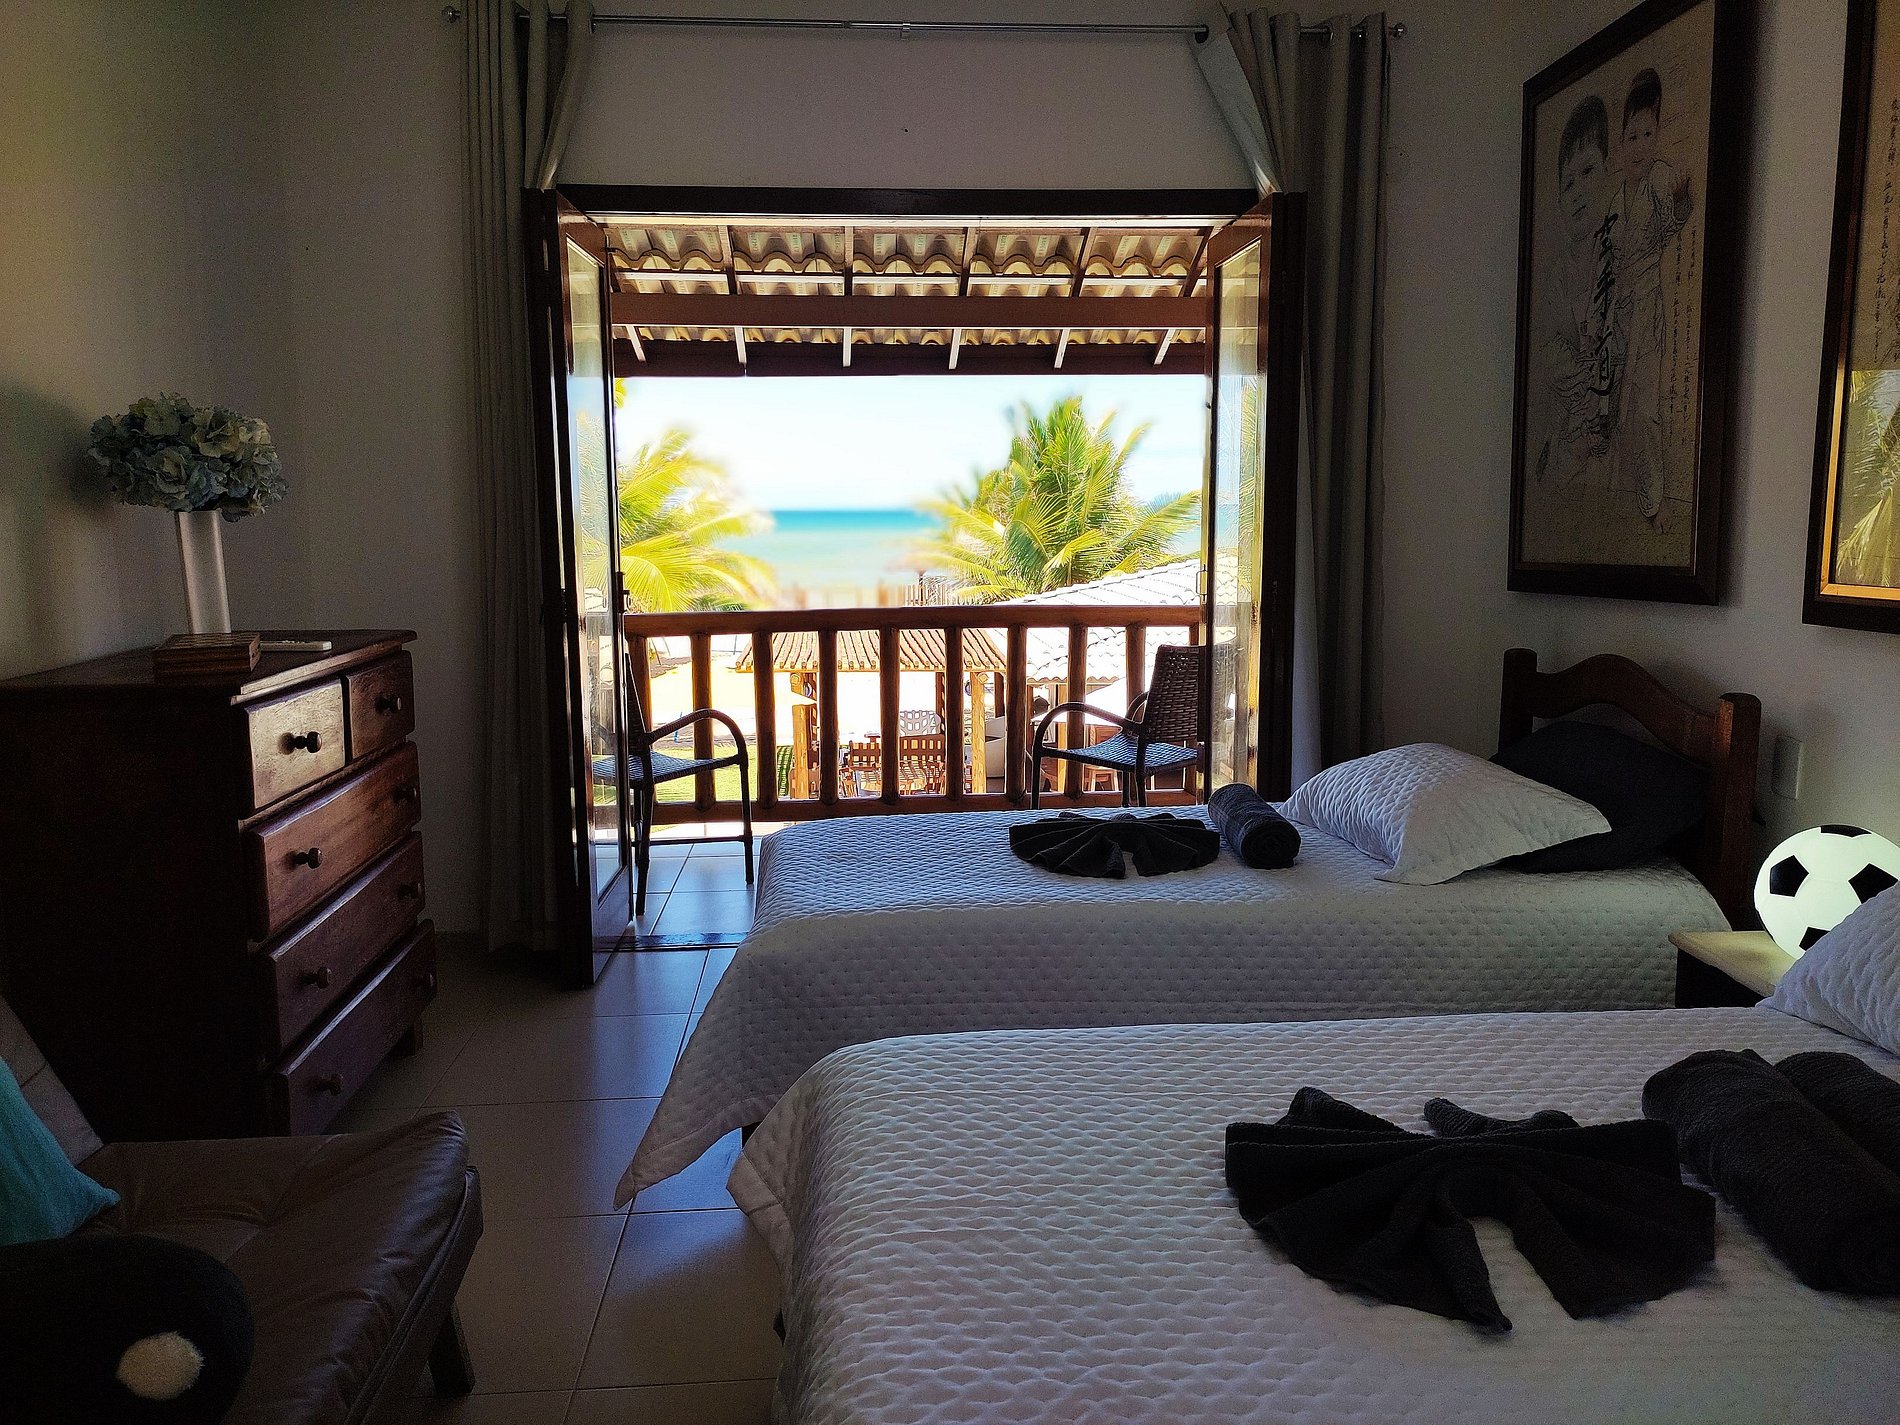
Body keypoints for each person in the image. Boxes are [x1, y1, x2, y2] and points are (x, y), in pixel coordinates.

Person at [1611, 67, 1694, 527]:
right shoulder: (1615, 201)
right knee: (1613, 408)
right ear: (1621, 142)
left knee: (1645, 411)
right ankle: (1621, 490)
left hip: (1648, 311)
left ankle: (1654, 503)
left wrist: (1680, 206)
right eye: (1632, 137)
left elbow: (1669, 229)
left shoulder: (1659, 180)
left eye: (1648, 134)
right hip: (1617, 317)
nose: (1640, 145)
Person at [1537, 94, 1624, 493]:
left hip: (1605, 404)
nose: (1577, 191)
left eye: (1588, 171)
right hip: (1571, 408)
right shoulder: (1559, 273)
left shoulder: (1618, 251)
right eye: (1567, 183)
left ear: (1608, 169)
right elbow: (1552, 346)